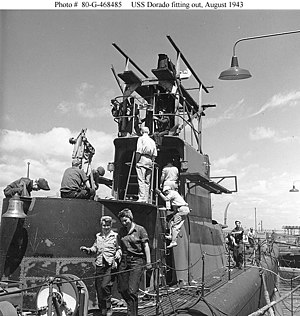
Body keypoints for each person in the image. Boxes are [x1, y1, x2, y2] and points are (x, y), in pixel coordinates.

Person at [80, 216, 121, 316]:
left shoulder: (115, 236)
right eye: (104, 225)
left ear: (111, 225)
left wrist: (117, 255)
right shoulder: (98, 236)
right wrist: (88, 250)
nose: (106, 227)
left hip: (110, 265)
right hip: (99, 264)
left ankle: (108, 307)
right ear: (101, 226)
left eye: (108, 225)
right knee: (99, 288)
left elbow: (119, 249)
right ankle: (102, 307)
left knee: (105, 286)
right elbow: (95, 248)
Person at [117, 208, 151, 316]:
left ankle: (132, 314)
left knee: (132, 290)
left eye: (125, 220)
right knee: (122, 289)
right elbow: (119, 246)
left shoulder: (140, 230)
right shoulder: (122, 231)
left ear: (130, 219)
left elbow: (146, 246)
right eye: (122, 221)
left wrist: (148, 262)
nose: (124, 223)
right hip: (124, 261)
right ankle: (131, 308)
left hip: (137, 261)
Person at [135, 126, 157, 203]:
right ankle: (147, 199)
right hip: (150, 161)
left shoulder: (141, 139)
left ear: (141, 132)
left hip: (143, 159)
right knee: (147, 182)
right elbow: (154, 154)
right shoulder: (152, 141)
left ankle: (142, 198)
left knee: (141, 180)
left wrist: (136, 161)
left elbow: (139, 151)